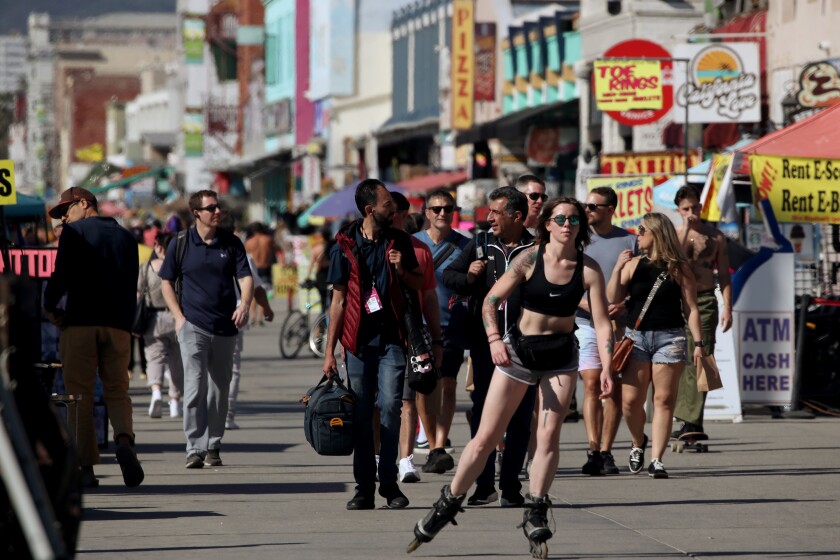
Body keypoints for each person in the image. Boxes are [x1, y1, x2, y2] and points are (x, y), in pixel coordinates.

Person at [409, 197, 614, 557]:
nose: (567, 224)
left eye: (574, 220)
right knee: (486, 436)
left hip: (560, 357)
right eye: (561, 218)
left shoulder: (589, 268)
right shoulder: (529, 259)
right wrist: (493, 341)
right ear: (547, 223)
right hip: (518, 353)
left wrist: (608, 367)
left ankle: (536, 508)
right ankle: (449, 501)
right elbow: (490, 300)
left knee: (548, 436)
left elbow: (601, 323)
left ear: (581, 227)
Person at [321, 179, 424, 510]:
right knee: (364, 413)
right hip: (357, 343)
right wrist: (329, 353)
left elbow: (420, 282)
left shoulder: (400, 241)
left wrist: (400, 269)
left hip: (393, 339)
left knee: (392, 406)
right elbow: (337, 302)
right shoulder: (343, 246)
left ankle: (389, 483)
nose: (393, 209)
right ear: (369, 210)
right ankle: (364, 487)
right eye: (387, 205)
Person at [43, 186, 145, 488]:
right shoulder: (128, 237)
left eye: (66, 211)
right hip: (118, 326)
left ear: (84, 203)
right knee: (117, 390)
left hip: (81, 324)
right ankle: (124, 440)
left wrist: (50, 307)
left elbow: (61, 275)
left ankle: (85, 467)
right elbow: (132, 283)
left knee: (79, 396)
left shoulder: (74, 234)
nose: (63, 219)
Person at [441, 186, 536, 507]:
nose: (489, 217)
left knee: (521, 419)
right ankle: (484, 486)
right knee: (483, 417)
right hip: (485, 344)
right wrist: (468, 276)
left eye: (495, 212)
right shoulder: (480, 243)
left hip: (525, 347)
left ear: (517, 216)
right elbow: (448, 276)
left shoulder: (537, 247)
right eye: (489, 212)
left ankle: (510, 486)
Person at [159, 190, 253, 469]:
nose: (216, 212)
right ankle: (194, 447)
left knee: (218, 390)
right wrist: (178, 317)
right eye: (210, 208)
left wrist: (245, 304)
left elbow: (245, 277)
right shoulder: (181, 243)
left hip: (226, 326)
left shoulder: (232, 243)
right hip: (193, 326)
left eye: (217, 207)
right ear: (196, 213)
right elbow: (166, 281)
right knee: (194, 387)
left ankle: (213, 444)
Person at [607, 212, 705, 479]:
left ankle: (657, 460)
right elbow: (612, 298)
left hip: (670, 338)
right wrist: (617, 268)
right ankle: (639, 440)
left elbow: (691, 308)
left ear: (656, 233)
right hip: (636, 338)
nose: (637, 234)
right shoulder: (633, 264)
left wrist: (698, 343)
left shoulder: (679, 267)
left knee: (663, 400)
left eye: (641, 229)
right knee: (630, 402)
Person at [577, 187, 637, 476]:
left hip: (619, 327)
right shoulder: (577, 240)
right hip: (584, 323)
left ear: (611, 208)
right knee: (591, 384)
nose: (587, 210)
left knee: (610, 387)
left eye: (593, 206)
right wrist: (588, 306)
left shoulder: (630, 240)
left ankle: (606, 451)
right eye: (585, 205)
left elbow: (640, 285)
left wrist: (625, 304)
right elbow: (565, 282)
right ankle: (591, 448)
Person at [414, 189, 471, 475]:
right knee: (425, 386)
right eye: (436, 209)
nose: (442, 213)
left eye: (447, 209)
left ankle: (437, 445)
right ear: (427, 212)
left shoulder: (465, 245)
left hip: (453, 324)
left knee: (448, 384)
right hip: (420, 327)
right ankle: (431, 439)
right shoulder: (414, 244)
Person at [387, 191, 442, 484]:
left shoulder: (419, 250)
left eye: (396, 212)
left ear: (405, 215)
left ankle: (406, 460)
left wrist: (435, 339)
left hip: (410, 334)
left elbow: (429, 295)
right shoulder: (368, 245)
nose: (391, 218)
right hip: (376, 335)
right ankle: (377, 457)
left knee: (408, 400)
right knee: (379, 403)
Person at [672, 186, 733, 437]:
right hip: (679, 300)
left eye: (695, 207)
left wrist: (727, 306)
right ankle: (685, 416)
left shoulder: (715, 237)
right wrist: (686, 227)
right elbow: (674, 258)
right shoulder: (676, 234)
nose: (691, 213)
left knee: (703, 356)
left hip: (706, 299)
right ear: (679, 210)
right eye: (686, 209)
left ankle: (693, 420)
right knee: (681, 360)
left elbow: (724, 274)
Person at [226, 254, 275, 429]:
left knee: (206, 368)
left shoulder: (197, 250)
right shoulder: (242, 256)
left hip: (204, 316)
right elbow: (256, 287)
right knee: (232, 367)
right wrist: (267, 309)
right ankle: (227, 415)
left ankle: (208, 415)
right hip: (235, 314)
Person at [140, 232, 185, 419]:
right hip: (178, 318)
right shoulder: (180, 268)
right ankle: (175, 402)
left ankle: (156, 391)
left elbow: (137, 295)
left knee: (154, 358)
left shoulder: (146, 268)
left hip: (153, 319)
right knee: (177, 362)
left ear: (159, 247)